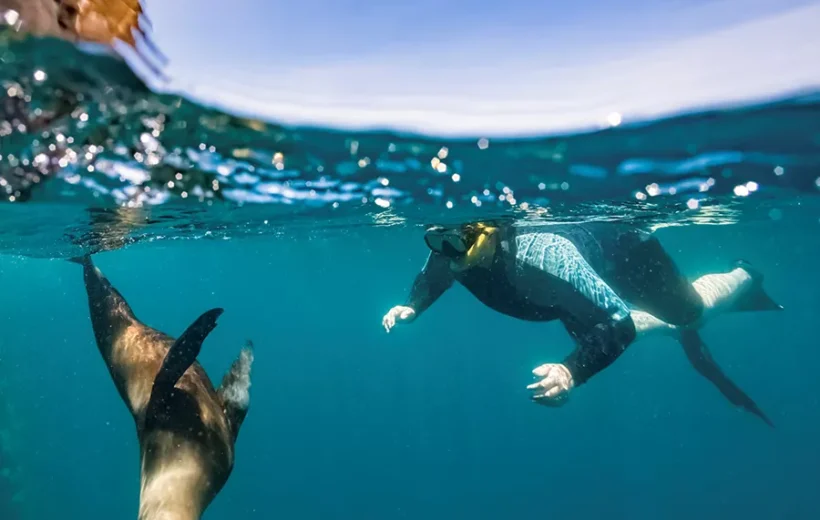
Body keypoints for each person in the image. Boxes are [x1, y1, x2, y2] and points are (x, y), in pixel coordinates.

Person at [382, 220, 782, 425]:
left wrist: (571, 370)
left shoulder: (544, 254)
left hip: (628, 254)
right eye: (438, 241)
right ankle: (678, 328)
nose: (447, 251)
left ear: (489, 234)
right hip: (569, 299)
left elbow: (620, 325)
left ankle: (745, 275)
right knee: (612, 325)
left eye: (458, 240)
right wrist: (412, 306)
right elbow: (434, 277)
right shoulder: (452, 253)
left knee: (690, 314)